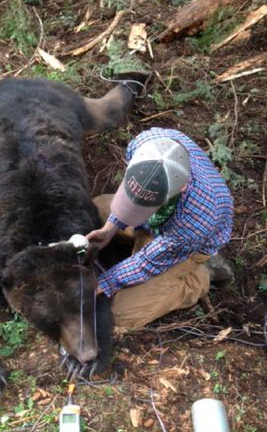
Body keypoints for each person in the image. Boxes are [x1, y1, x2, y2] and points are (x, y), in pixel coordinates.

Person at [86, 127, 234, 332]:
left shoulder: (196, 219)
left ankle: (200, 277)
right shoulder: (147, 142)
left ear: (179, 190)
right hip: (161, 224)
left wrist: (103, 283)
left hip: (181, 244)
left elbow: (147, 262)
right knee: (96, 208)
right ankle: (136, 231)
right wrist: (110, 228)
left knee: (120, 315)